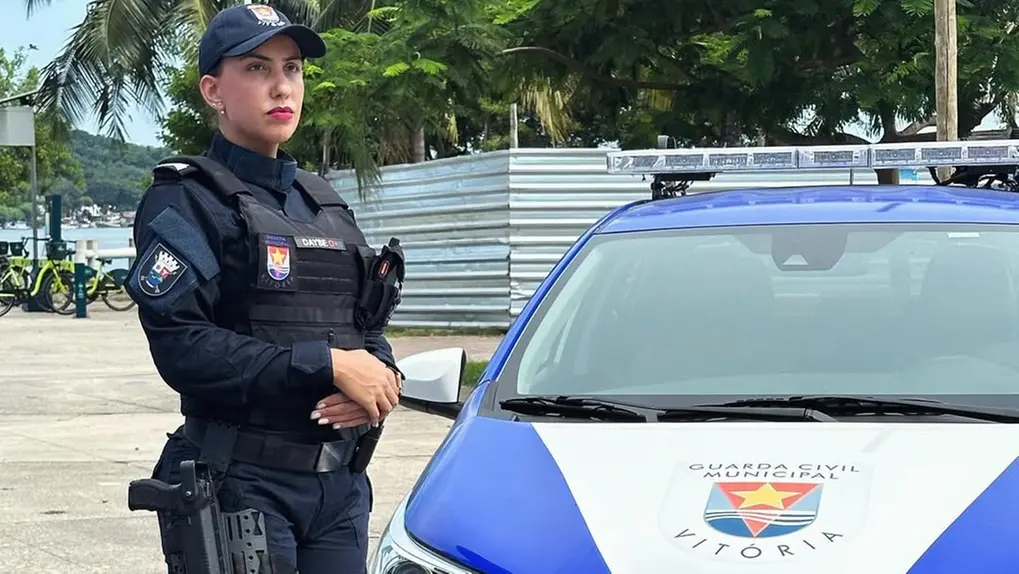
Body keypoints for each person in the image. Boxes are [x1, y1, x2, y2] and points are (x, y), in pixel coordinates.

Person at [124, 4, 404, 573]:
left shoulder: (323, 201)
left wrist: (379, 378)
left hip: (339, 489)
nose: (281, 86)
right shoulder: (187, 199)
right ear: (213, 90)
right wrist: (324, 365)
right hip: (240, 488)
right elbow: (183, 346)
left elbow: (365, 326)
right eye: (256, 68)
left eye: (293, 68)